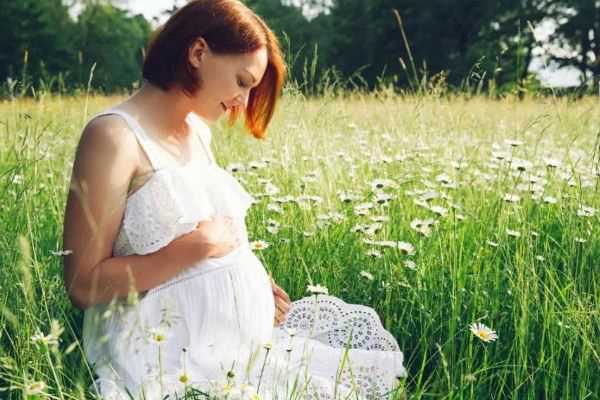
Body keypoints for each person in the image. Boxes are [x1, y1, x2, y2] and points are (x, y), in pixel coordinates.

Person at [61, 1, 406, 399]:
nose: (243, 101)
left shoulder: (197, 133)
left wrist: (258, 286)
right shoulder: (114, 138)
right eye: (242, 81)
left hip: (232, 344)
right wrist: (191, 250)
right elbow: (83, 285)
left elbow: (214, 240)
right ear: (197, 53)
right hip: (161, 354)